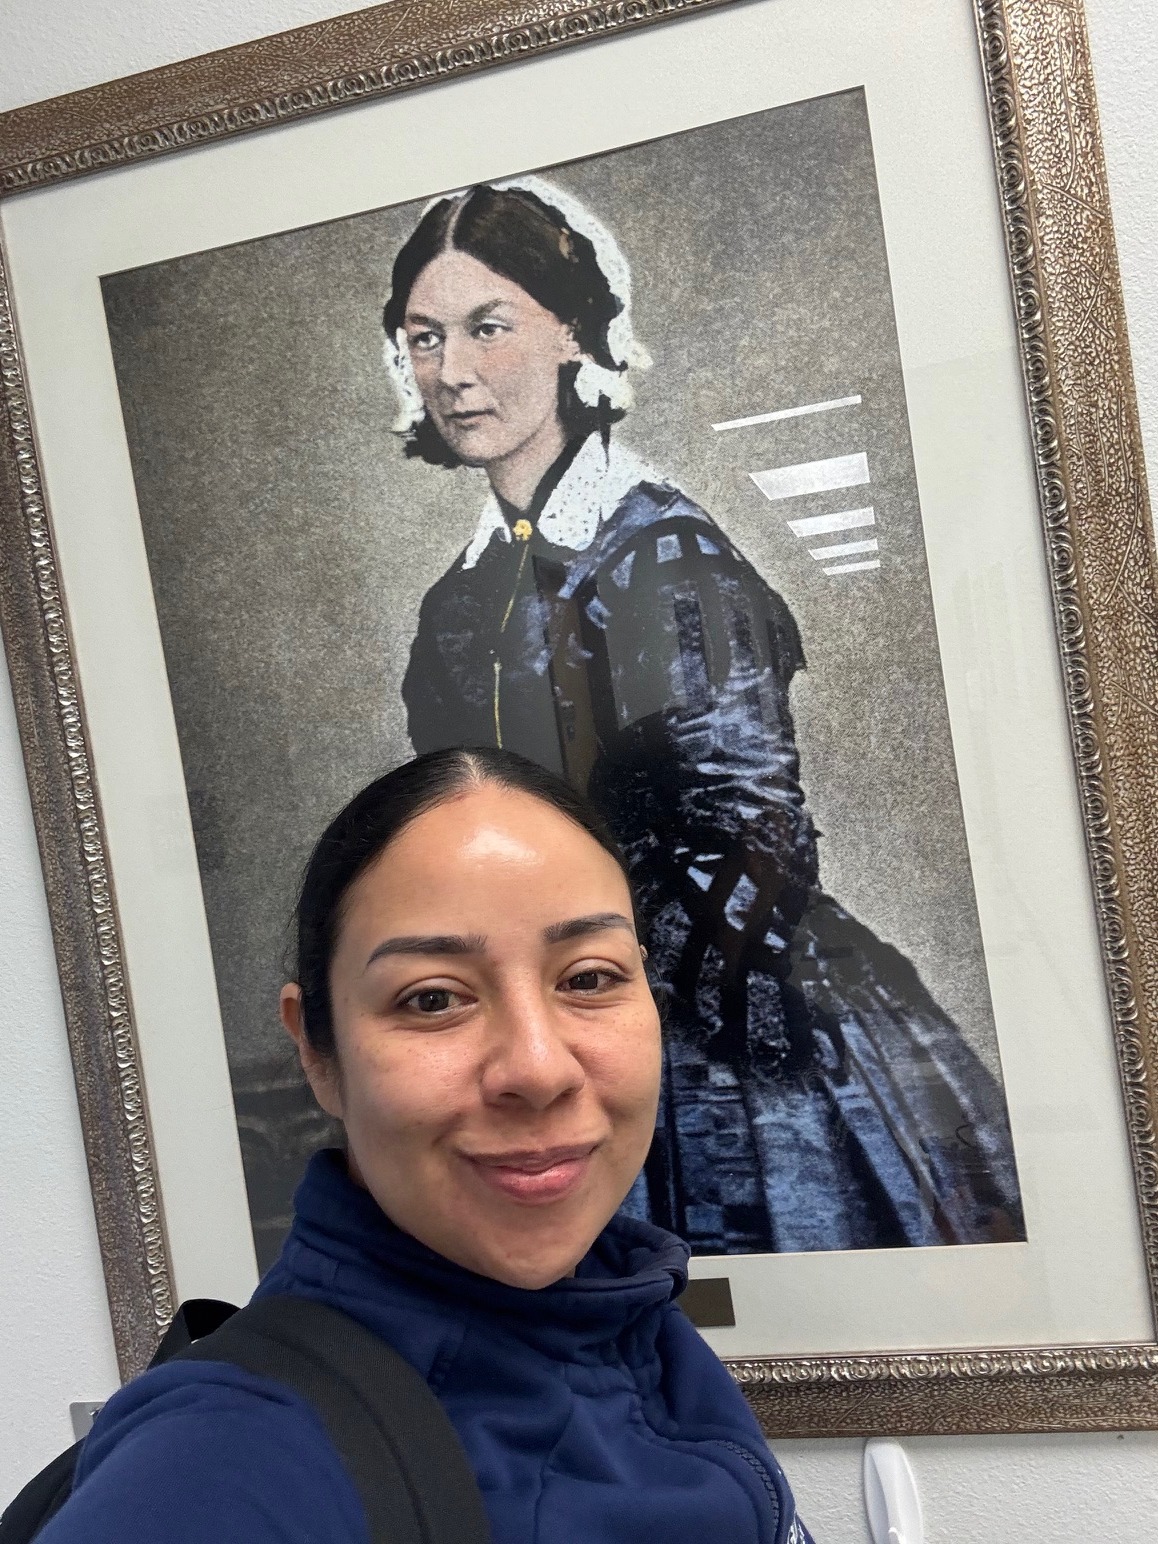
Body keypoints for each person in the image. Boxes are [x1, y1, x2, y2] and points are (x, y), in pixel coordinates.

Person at [386, 177, 1025, 1255]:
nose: (452, 371)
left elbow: (753, 836)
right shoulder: (461, 593)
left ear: (571, 332)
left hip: (713, 995)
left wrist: (588, 984)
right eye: (424, 337)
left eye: (488, 327)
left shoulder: (666, 557)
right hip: (540, 1000)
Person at [37, 748, 813, 1544]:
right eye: (433, 998)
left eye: (588, 978)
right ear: (316, 1052)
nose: (538, 1069)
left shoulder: (641, 1322)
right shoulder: (220, 1470)